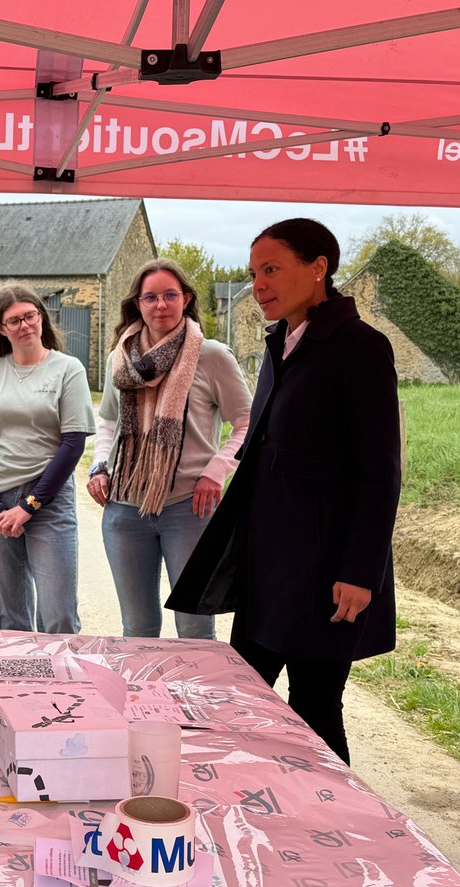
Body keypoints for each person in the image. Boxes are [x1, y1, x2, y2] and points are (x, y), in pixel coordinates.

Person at [166, 218, 401, 765]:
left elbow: (380, 469)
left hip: (325, 570)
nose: (259, 285)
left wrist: (360, 572)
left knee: (316, 709)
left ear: (318, 268)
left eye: (272, 269)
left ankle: (336, 826)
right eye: (253, 273)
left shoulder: (360, 347)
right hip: (269, 565)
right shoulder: (280, 344)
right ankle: (255, 809)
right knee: (242, 698)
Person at [87, 259, 252, 640]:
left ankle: (194, 700)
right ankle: (145, 701)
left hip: (188, 508)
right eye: (151, 297)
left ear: (186, 299)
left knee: (194, 625)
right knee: (138, 626)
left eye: (170, 295)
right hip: (124, 508)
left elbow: (248, 424)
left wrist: (217, 469)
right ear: (138, 304)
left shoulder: (211, 356)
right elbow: (108, 420)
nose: (161, 304)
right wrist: (99, 466)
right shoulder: (121, 358)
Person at [0, 283, 94, 634]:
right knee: (8, 618)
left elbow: (73, 444)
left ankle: (61, 689)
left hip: (48, 501)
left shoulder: (68, 370)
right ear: (1, 329)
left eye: (30, 316)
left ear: (42, 318)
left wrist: (31, 505)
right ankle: (15, 688)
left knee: (59, 615)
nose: (24, 325)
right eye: (14, 320)